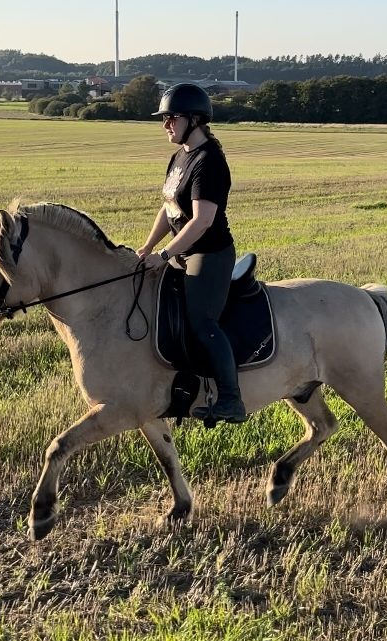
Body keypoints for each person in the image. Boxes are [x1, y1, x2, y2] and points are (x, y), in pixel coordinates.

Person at [137, 83, 247, 424]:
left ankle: (231, 399)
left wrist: (166, 252)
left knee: (202, 322)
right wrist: (147, 247)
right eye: (165, 118)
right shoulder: (179, 157)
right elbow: (168, 208)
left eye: (172, 117)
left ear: (195, 120)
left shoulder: (209, 162)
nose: (166, 124)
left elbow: (201, 222)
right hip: (182, 251)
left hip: (208, 255)